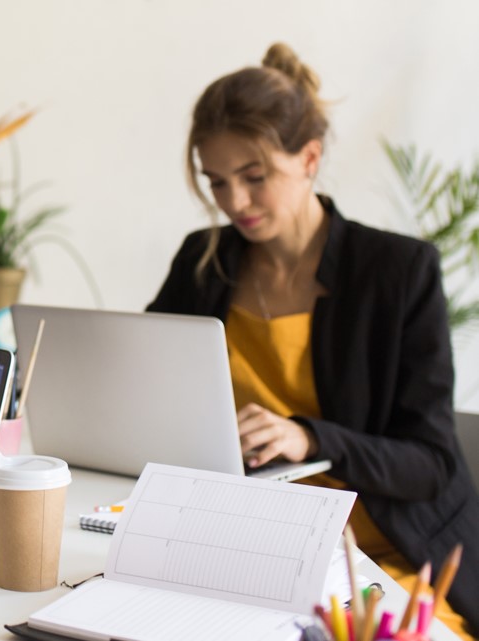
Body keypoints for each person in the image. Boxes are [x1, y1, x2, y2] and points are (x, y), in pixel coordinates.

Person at [148, 42, 478, 636]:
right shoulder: (204, 261)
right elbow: (149, 386)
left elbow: (430, 464)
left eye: (255, 177)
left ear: (309, 157)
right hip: (248, 550)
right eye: (216, 182)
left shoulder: (398, 271)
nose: (234, 203)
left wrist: (309, 438)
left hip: (380, 559)